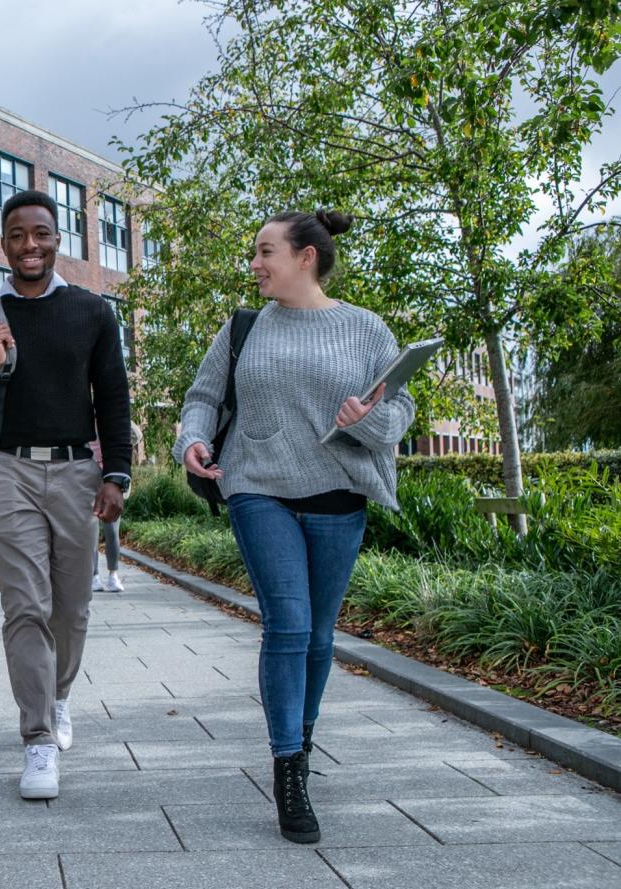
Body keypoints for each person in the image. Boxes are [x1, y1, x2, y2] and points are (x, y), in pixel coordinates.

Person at [174, 210, 415, 845]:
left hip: (340, 492)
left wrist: (364, 418)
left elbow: (397, 416)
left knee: (320, 635)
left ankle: (300, 742)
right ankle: (288, 769)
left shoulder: (365, 329)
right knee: (290, 623)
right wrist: (193, 442)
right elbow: (202, 398)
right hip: (258, 487)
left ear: (306, 257)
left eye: (265, 252)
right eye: (255, 253)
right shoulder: (243, 328)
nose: (254, 263)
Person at [0, 189, 131, 800]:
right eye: (18, 235)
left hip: (78, 471)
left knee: (71, 609)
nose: (31, 245)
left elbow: (112, 397)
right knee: (25, 605)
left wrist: (117, 474)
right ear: (3, 244)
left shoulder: (91, 312)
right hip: (8, 471)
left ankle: (59, 695)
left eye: (42, 233)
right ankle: (38, 741)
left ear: (59, 240)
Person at [88, 437, 124, 593]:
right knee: (91, 531)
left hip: (111, 481)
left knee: (112, 530)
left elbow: (134, 435)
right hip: (87, 480)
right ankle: (94, 575)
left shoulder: (108, 419)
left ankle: (113, 574)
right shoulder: (85, 421)